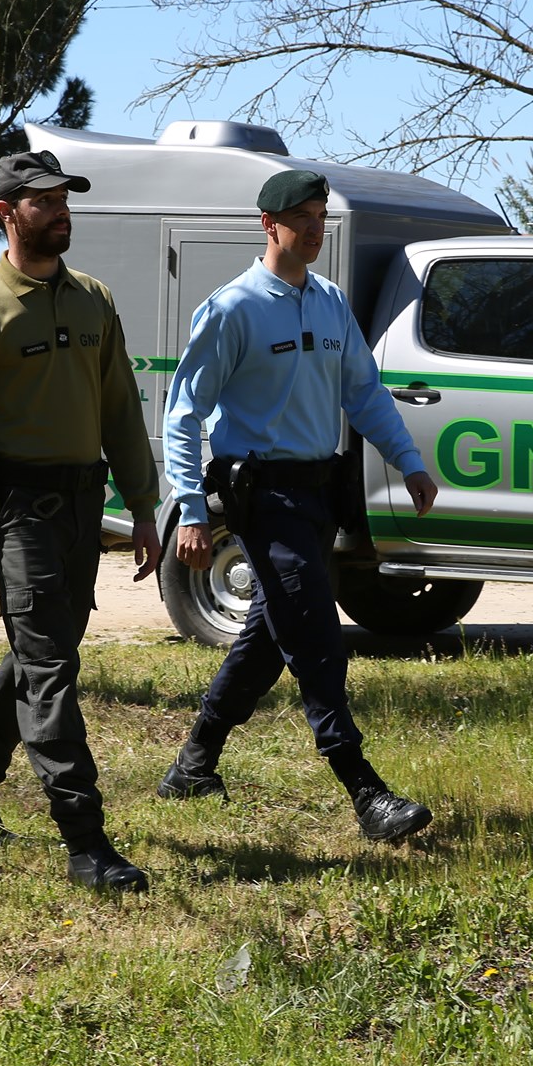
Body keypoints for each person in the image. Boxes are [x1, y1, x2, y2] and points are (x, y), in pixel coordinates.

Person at [157, 167, 441, 843]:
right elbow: (182, 413)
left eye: (321, 215)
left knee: (266, 635)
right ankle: (365, 790)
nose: (315, 228)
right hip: (264, 497)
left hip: (320, 494)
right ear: (269, 225)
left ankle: (193, 764)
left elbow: (365, 392)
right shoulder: (232, 308)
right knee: (315, 635)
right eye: (302, 217)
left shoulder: (331, 301)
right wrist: (192, 510)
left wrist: (409, 460)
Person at [0, 149, 163, 893]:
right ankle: (87, 841)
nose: (60, 210)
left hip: (86, 505)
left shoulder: (94, 299)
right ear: (6, 213)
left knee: (34, 656)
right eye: (43, 200)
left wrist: (143, 507)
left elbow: (121, 407)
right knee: (50, 665)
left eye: (64, 198)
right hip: (20, 509)